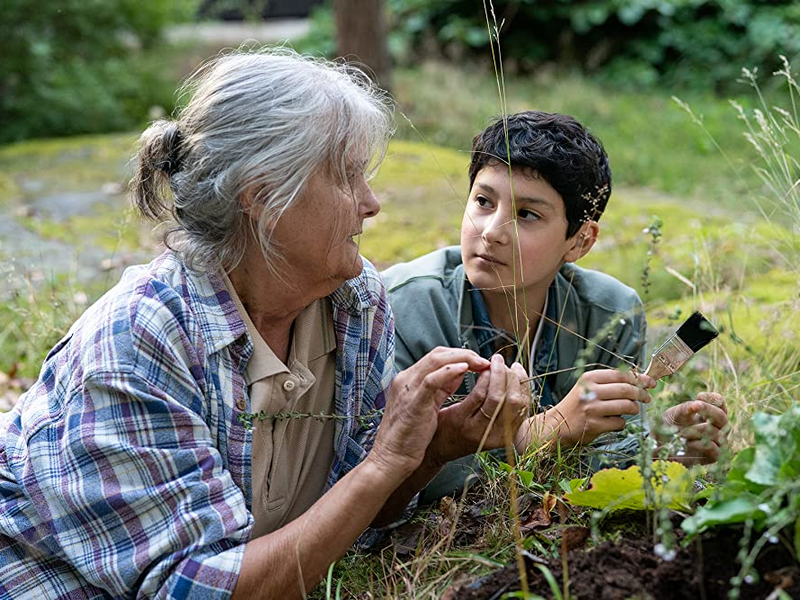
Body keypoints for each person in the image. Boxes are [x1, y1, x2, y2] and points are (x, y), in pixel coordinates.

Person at [0, 49, 532, 599]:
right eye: (348, 177)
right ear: (262, 195)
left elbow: (349, 522)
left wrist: (434, 445)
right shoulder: (143, 339)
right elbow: (194, 591)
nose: (371, 204)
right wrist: (385, 461)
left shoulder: (355, 301)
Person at [382, 110, 729, 503]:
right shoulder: (402, 305)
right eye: (482, 201)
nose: (491, 232)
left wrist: (662, 445)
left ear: (580, 241)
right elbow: (384, 482)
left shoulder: (610, 313)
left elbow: (602, 467)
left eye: (527, 215)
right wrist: (546, 430)